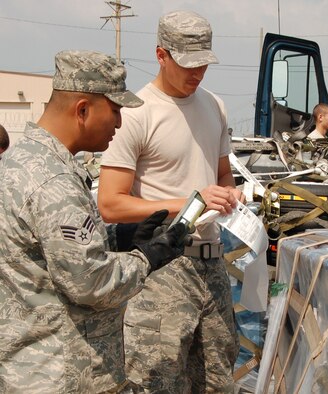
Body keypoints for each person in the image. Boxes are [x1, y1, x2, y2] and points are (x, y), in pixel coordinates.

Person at [0, 50, 188, 393]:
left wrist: (117, 237)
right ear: (83, 110)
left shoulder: (22, 161)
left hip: (29, 368)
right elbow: (91, 285)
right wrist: (148, 258)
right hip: (65, 374)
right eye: (115, 111)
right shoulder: (53, 182)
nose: (119, 123)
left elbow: (45, 254)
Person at [98, 10, 241, 393]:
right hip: (162, 267)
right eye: (187, 65)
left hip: (212, 264)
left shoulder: (214, 106)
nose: (197, 75)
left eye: (204, 65)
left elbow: (222, 173)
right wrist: (190, 201)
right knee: (156, 380)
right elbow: (110, 204)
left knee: (218, 379)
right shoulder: (136, 114)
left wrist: (230, 193)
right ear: (161, 55)